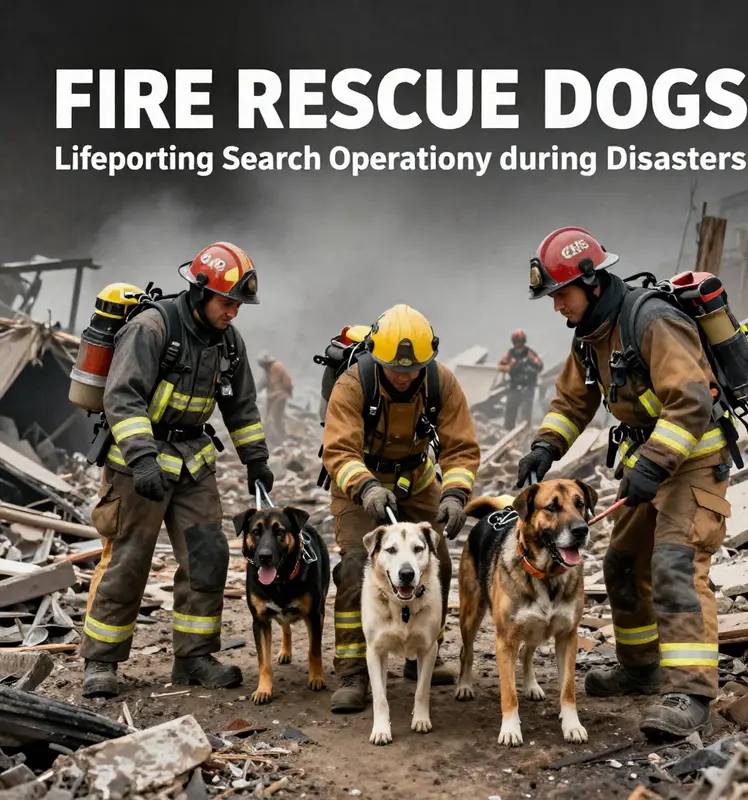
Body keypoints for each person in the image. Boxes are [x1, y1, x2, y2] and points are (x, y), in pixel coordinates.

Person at [518, 226, 731, 740]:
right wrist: (544, 448)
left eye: (560, 295)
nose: (556, 307)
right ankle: (640, 668)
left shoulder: (652, 321)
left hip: (692, 462)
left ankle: (691, 694)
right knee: (621, 562)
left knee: (676, 564)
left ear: (591, 282)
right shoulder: (591, 335)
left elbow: (692, 400)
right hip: (651, 465)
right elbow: (572, 403)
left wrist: (653, 464)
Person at [80, 242, 274, 698]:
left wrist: (257, 460)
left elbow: (240, 405)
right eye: (227, 303)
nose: (234, 313)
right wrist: (142, 458)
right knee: (129, 559)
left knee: (208, 557)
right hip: (137, 465)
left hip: (193, 461)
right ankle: (101, 662)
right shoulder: (151, 329)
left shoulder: (228, 341)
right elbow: (122, 397)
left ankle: (194, 657)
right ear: (199, 292)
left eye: (239, 305)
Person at [322, 304, 481, 713]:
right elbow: (339, 450)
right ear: (377, 357)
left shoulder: (441, 382)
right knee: (358, 564)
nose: (404, 376)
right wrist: (366, 488)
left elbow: (461, 448)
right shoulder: (355, 384)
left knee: (438, 563)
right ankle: (354, 670)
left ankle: (423, 651)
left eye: (412, 370)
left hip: (417, 479)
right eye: (395, 369)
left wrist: (455, 495)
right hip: (361, 483)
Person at [497, 329, 543, 430]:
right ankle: (508, 433)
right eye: (517, 342)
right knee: (510, 412)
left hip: (528, 387)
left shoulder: (529, 353)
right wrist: (510, 366)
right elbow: (500, 366)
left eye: (521, 341)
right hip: (514, 386)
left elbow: (539, 365)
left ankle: (525, 434)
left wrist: (530, 368)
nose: (519, 344)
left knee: (526, 414)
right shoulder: (510, 354)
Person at [257, 351, 293, 443]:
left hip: (280, 395)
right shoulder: (268, 370)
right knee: (268, 417)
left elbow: (285, 382)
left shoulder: (276, 367)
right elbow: (264, 382)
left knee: (276, 418)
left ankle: (282, 439)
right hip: (273, 396)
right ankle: (268, 438)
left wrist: (286, 392)